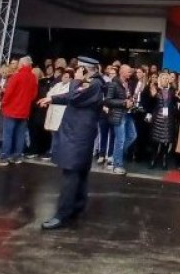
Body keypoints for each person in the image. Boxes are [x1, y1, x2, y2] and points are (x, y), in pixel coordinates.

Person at [38, 57, 104, 230]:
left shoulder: (95, 85)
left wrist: (76, 80)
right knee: (79, 172)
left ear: (85, 69)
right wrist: (52, 99)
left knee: (71, 172)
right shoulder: (90, 84)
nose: (76, 71)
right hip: (78, 133)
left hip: (78, 134)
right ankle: (77, 207)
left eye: (79, 69)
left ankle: (62, 214)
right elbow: (72, 96)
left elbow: (74, 97)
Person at [0, 56, 38, 167]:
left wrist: (3, 103)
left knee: (8, 135)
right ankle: (17, 156)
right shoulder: (33, 77)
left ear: (22, 64)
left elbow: (9, 92)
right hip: (24, 111)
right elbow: (34, 95)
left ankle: (4, 157)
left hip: (11, 110)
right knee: (20, 135)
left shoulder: (17, 76)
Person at [105, 64, 137, 175]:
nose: (130, 73)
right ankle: (117, 165)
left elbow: (127, 97)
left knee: (132, 135)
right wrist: (123, 103)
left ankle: (114, 157)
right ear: (122, 72)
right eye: (128, 71)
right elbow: (108, 101)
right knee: (120, 140)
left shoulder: (128, 84)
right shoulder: (114, 84)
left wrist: (131, 101)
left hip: (127, 114)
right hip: (118, 115)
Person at [148, 71, 178, 169]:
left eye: (166, 78)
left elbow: (177, 101)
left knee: (167, 140)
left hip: (168, 119)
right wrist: (152, 95)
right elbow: (150, 103)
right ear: (160, 80)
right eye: (163, 78)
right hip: (157, 118)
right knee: (155, 140)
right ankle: (153, 159)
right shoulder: (156, 89)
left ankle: (164, 159)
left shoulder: (172, 91)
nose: (165, 80)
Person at [43, 68, 73, 159]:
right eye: (63, 76)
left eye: (66, 77)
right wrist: (51, 99)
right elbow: (49, 94)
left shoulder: (70, 87)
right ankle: (53, 149)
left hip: (61, 111)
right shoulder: (57, 84)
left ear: (70, 79)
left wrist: (54, 98)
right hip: (52, 109)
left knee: (59, 132)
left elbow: (63, 98)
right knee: (53, 132)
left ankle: (55, 151)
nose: (64, 78)